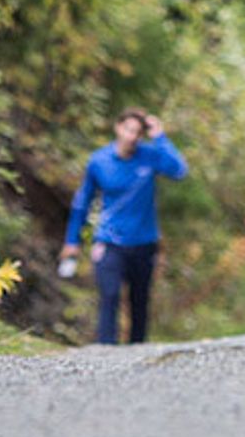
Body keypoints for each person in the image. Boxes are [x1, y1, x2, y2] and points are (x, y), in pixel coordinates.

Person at [62, 109, 189, 344]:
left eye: (138, 133)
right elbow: (82, 203)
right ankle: (106, 351)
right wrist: (72, 241)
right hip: (110, 240)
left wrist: (159, 136)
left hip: (144, 242)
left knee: (139, 301)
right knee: (109, 295)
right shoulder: (99, 161)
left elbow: (179, 171)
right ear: (118, 127)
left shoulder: (149, 156)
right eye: (129, 130)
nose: (132, 137)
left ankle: (137, 353)